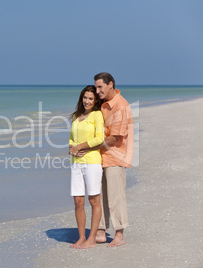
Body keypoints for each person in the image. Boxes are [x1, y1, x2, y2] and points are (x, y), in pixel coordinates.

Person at [93, 72, 134, 247]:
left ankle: (119, 234)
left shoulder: (121, 106)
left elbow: (115, 138)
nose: (97, 90)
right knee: (99, 196)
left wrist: (89, 146)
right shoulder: (102, 104)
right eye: (96, 87)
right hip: (100, 157)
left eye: (100, 87)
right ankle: (101, 231)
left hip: (116, 156)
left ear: (111, 85)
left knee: (116, 197)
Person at [68, 85, 104, 249]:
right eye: (85, 97)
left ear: (95, 100)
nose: (87, 101)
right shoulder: (77, 116)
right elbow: (71, 139)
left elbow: (99, 139)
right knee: (78, 201)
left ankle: (91, 239)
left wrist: (80, 147)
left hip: (92, 162)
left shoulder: (97, 115)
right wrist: (71, 148)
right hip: (76, 163)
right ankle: (81, 238)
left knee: (94, 200)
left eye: (90, 98)